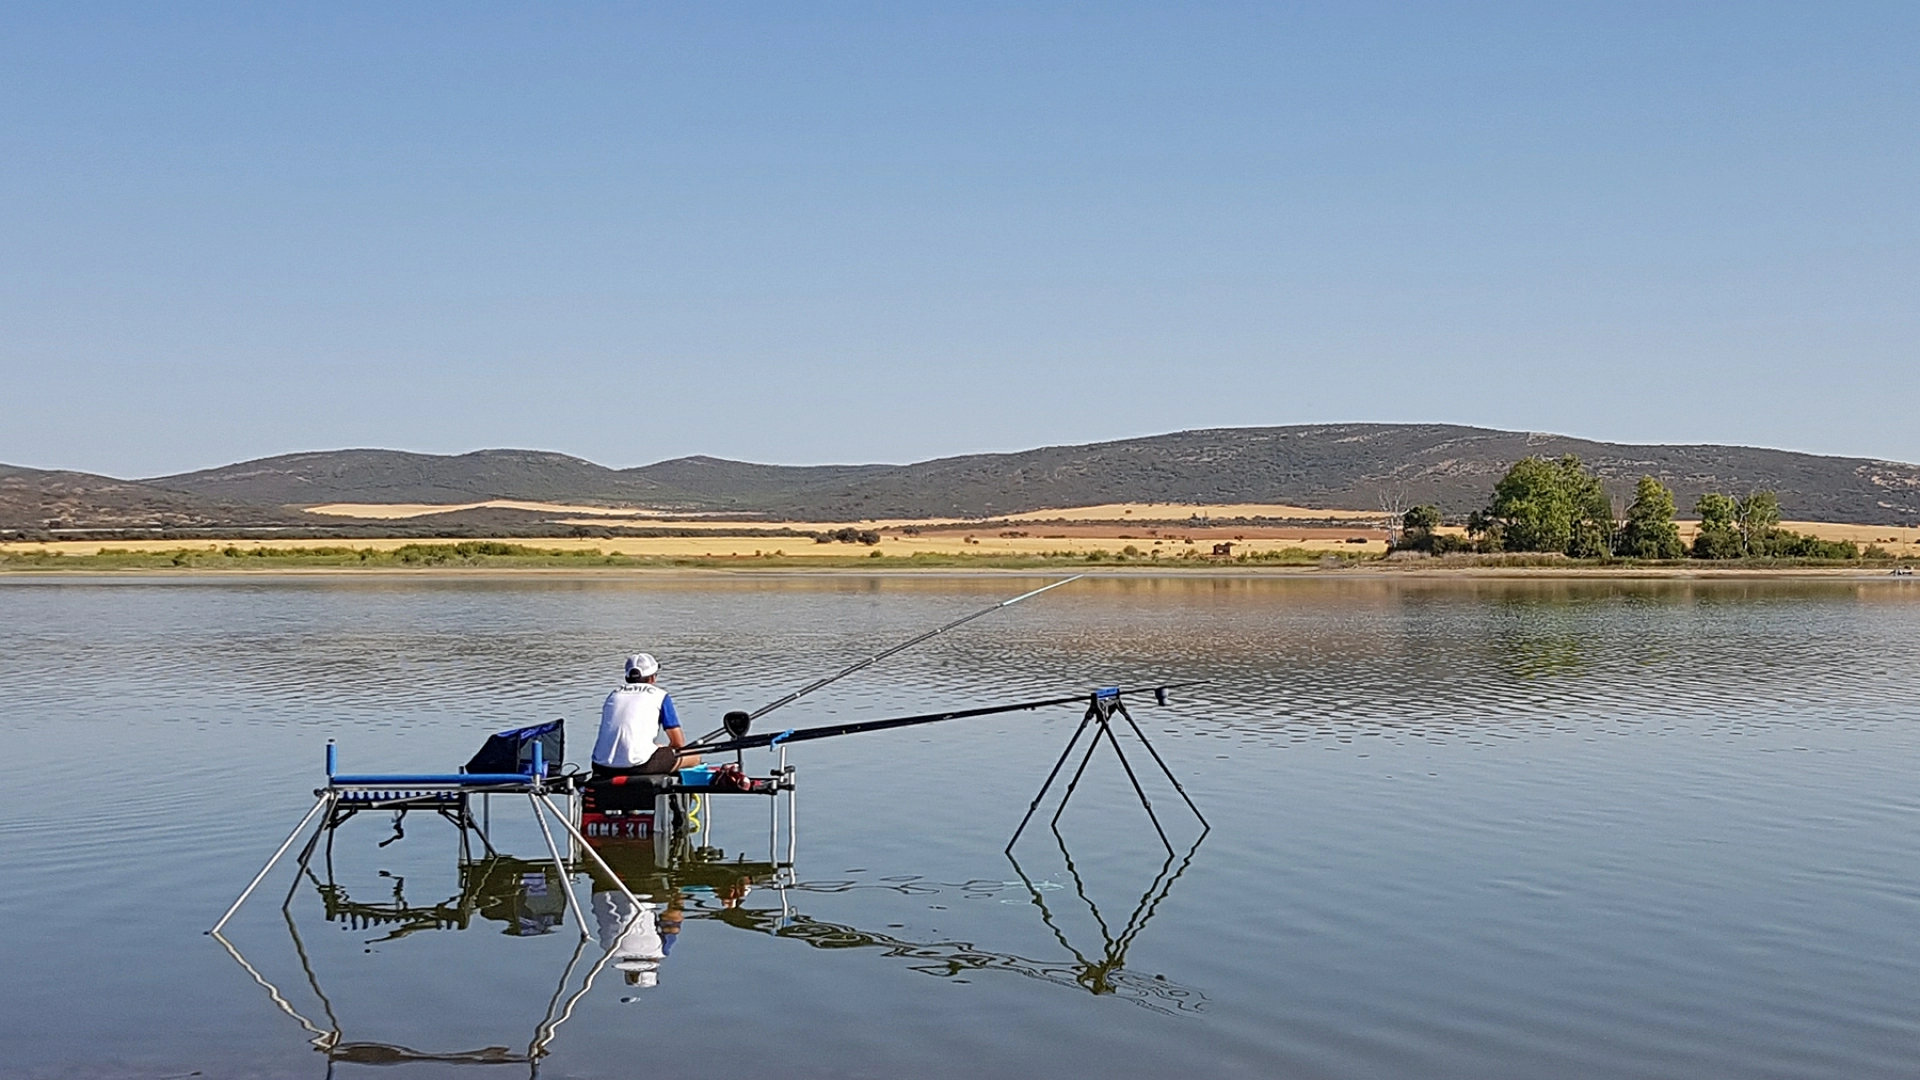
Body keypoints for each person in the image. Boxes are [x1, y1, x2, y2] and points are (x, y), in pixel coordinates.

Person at [592, 653, 699, 779]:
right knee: (693, 756)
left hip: (600, 766)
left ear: (627, 678)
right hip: (639, 766)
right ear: (653, 678)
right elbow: (678, 743)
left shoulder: (613, 695)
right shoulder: (660, 696)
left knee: (657, 748)